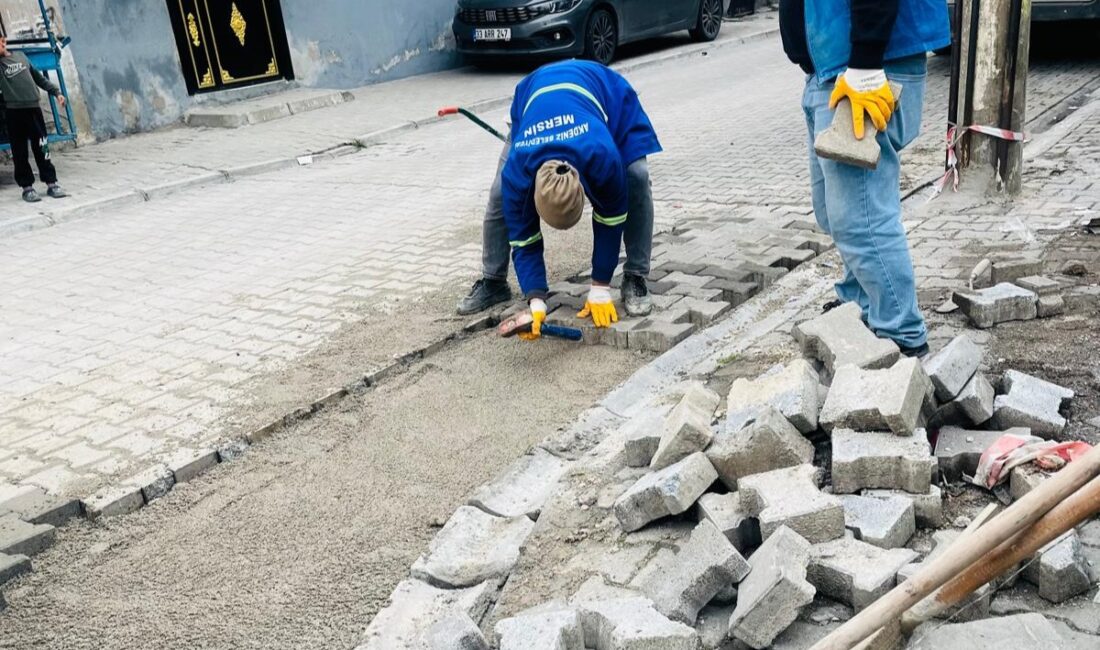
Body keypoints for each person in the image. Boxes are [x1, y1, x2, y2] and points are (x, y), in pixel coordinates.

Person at [780, 0, 949, 356]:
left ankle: (900, 338)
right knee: (837, 213)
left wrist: (866, 62)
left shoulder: (864, 62)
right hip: (834, 68)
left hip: (864, 67)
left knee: (862, 218)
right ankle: (858, 308)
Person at [456, 59, 662, 339]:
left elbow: (610, 219)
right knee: (498, 195)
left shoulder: (601, 158)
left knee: (636, 176)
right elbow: (523, 239)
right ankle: (493, 282)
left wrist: (600, 285)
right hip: (534, 94)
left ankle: (636, 275)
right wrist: (536, 299)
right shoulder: (518, 175)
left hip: (604, 93)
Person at [0, 35, 68, 202]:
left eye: (1, 41)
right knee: (19, 151)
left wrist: (56, 92)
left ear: (4, 41)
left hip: (34, 109)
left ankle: (51, 183)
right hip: (14, 112)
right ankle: (27, 187)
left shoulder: (21, 57)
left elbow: (38, 78)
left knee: (42, 147)